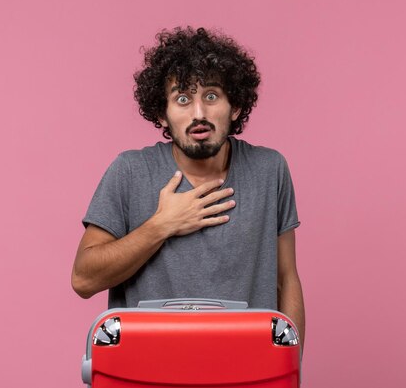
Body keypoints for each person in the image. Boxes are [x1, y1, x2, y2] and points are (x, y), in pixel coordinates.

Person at [71, 27, 305, 345]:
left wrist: (291, 368)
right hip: (148, 368)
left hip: (247, 368)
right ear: (162, 114)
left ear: (234, 107)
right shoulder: (129, 171)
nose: (199, 114)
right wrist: (161, 225)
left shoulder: (269, 170)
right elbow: (84, 279)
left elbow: (286, 279)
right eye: (182, 98)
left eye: (211, 96)